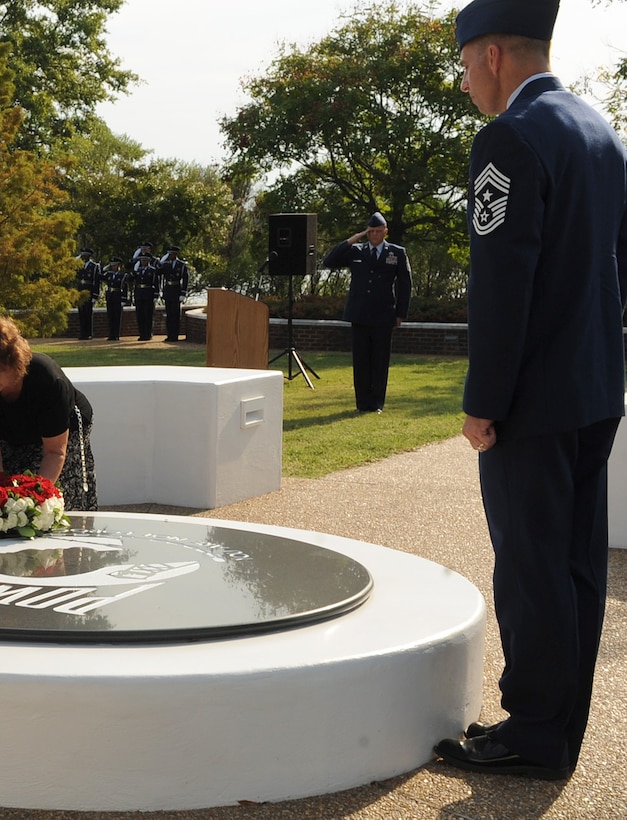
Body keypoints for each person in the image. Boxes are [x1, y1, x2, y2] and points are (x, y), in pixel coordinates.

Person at [433, 0, 627, 781]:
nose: (464, 82)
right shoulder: (600, 130)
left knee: (530, 564)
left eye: (462, 66)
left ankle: (534, 733)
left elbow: (501, 283)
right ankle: (557, 725)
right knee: (575, 563)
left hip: (535, 402)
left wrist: (487, 397)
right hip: (593, 389)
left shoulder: (507, 137)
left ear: (488, 56)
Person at [0, 315, 98, 510]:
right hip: (13, 432)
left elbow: (55, 453)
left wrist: (33, 499)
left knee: (58, 498)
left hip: (63, 431)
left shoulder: (47, 380)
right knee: (12, 486)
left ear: (13, 363)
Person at [322, 212, 412, 412]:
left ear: (385, 231)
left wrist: (400, 314)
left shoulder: (396, 253)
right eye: (371, 232)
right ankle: (362, 403)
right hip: (359, 314)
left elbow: (405, 285)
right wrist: (352, 239)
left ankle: (377, 403)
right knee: (361, 361)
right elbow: (329, 261)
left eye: (378, 231)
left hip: (383, 314)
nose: (374, 235)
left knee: (380, 361)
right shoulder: (356, 251)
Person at [158, 245, 189, 342]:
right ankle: (169, 334)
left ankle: (175, 335)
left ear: (176, 254)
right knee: (169, 314)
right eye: (169, 254)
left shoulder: (181, 265)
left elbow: (185, 279)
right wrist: (160, 263)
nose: (170, 256)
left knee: (175, 315)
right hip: (168, 290)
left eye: (171, 254)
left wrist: (183, 293)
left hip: (176, 290)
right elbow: (159, 273)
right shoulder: (166, 264)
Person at [130, 246, 159, 341]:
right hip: (139, 294)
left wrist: (156, 295)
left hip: (148, 294)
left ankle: (148, 333)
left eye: (144, 260)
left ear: (148, 260)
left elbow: (156, 283)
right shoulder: (138, 270)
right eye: (141, 260)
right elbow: (131, 280)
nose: (143, 261)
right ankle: (142, 333)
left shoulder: (153, 271)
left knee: (148, 315)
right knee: (140, 315)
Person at [74, 248, 101, 340]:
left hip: (89, 290)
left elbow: (96, 282)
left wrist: (95, 295)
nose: (82, 257)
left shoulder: (94, 266)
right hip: (80, 290)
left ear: (88, 256)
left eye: (84, 255)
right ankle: (82, 333)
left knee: (88, 313)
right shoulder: (78, 265)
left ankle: (88, 333)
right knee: (81, 312)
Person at [101, 256, 127, 340]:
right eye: (112, 265)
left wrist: (123, 299)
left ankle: (116, 335)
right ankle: (111, 335)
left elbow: (125, 287)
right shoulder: (109, 274)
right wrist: (105, 268)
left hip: (118, 295)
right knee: (110, 316)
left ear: (119, 265)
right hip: (110, 296)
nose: (113, 267)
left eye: (115, 265)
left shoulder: (122, 275)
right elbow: (100, 276)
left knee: (117, 316)